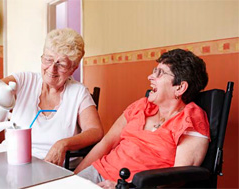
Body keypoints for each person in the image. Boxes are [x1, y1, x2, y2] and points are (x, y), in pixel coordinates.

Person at [0, 28, 104, 168]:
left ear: (73, 68)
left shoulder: (78, 92)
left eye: (61, 64)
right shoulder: (24, 80)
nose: (51, 69)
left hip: (55, 169)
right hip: (14, 161)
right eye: (48, 59)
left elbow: (95, 130)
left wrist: (64, 144)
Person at [75, 49, 210, 188]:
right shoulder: (141, 106)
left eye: (160, 73)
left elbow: (179, 177)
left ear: (180, 87)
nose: (150, 77)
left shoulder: (191, 119)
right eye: (154, 71)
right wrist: (73, 177)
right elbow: (106, 143)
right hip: (97, 171)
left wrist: (126, 187)